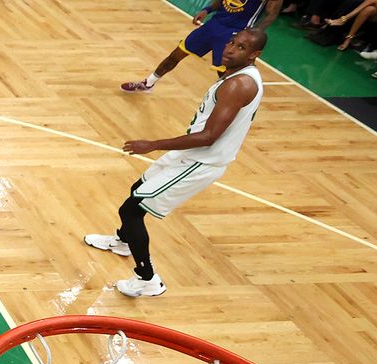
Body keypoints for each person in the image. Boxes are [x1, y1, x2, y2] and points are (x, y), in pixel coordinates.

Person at [86, 29, 267, 297]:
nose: (230, 49)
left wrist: (153, 144)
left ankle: (147, 279)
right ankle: (124, 242)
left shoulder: (239, 84)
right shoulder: (234, 75)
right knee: (139, 187)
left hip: (201, 160)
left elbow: (208, 137)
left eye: (240, 47)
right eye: (231, 41)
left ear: (254, 55)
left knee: (131, 210)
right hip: (191, 152)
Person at [121, 0, 280, 92]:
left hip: (235, 32)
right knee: (177, 54)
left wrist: (252, 34)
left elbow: (272, 13)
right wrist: (207, 9)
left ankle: (222, 107)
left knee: (225, 74)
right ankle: (148, 84)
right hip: (213, 25)